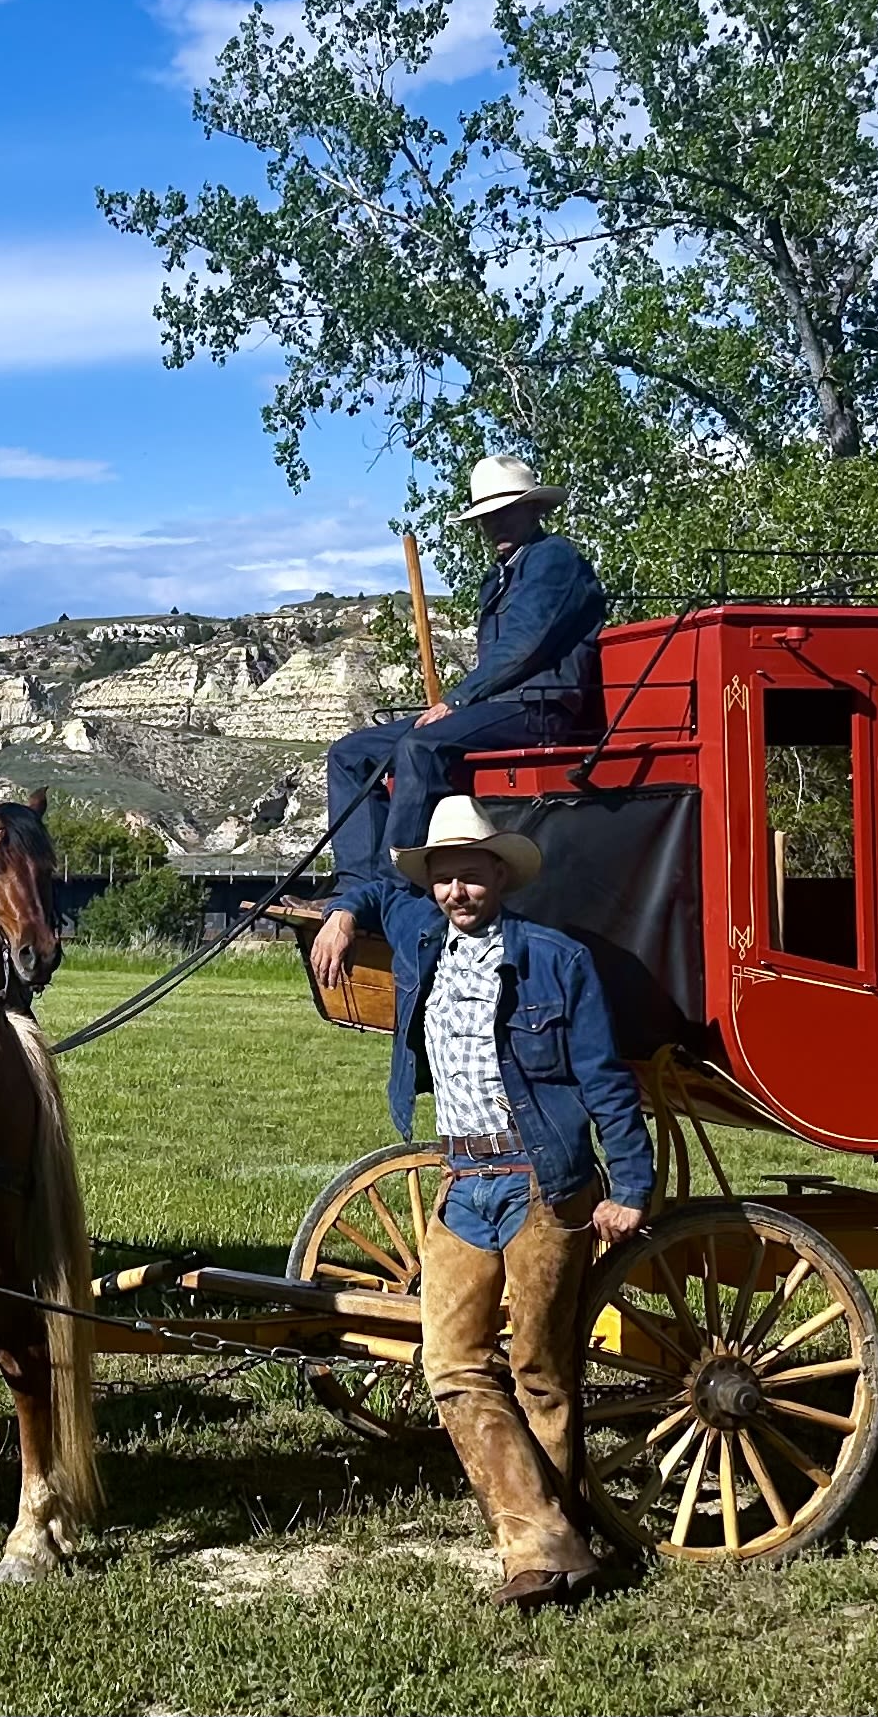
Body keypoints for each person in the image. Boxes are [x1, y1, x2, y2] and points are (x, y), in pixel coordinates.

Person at [308, 795, 652, 1610]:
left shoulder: (555, 959)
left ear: (501, 874)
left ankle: (548, 1547)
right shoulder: (422, 940)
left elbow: (604, 1078)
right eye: (445, 877)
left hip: (543, 1179)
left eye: (471, 873)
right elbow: (368, 884)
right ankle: (550, 1540)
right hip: (465, 1182)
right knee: (451, 1362)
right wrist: (339, 912)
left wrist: (631, 1186)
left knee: (540, 1372)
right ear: (430, 886)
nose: (458, 890)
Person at [324, 455, 608, 896]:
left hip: (536, 709)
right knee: (350, 753)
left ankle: (390, 889)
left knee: (421, 745)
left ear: (535, 510)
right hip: (494, 710)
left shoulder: (554, 559)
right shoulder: (495, 581)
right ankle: (356, 887)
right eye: (485, 517)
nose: (495, 524)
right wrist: (462, 705)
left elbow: (524, 647)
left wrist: (456, 702)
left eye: (505, 511)